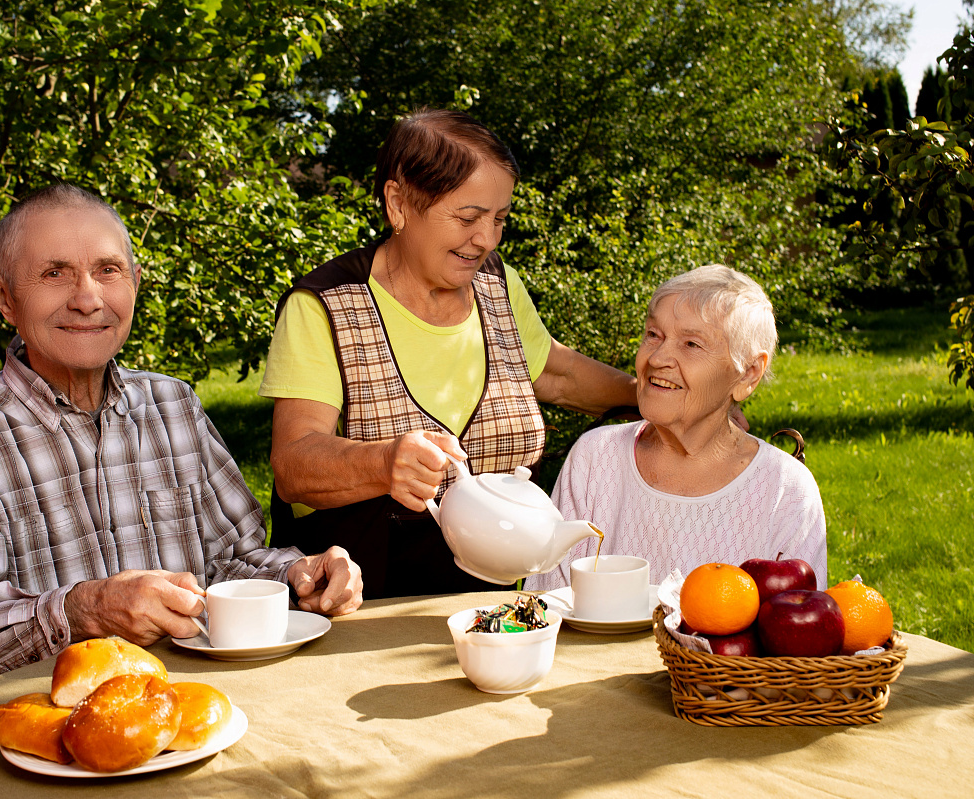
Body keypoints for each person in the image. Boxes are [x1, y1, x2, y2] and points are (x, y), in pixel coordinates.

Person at [0, 185, 363, 710]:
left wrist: (297, 576)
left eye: (108, 271)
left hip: (179, 714)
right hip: (29, 744)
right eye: (55, 273)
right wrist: (82, 611)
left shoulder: (172, 404)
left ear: (135, 283)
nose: (88, 298)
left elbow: (232, 560)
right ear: (3, 296)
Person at [260, 108, 639, 599]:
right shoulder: (325, 305)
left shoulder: (496, 285)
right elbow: (292, 465)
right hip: (351, 617)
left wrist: (657, 397)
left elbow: (559, 374)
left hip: (489, 614)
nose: (486, 239)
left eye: (500, 218)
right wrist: (381, 463)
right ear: (398, 203)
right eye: (468, 217)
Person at [525, 265, 827, 593]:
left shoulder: (784, 488)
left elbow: (796, 626)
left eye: (691, 345)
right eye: (654, 334)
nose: (658, 358)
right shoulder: (595, 458)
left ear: (748, 375)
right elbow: (545, 605)